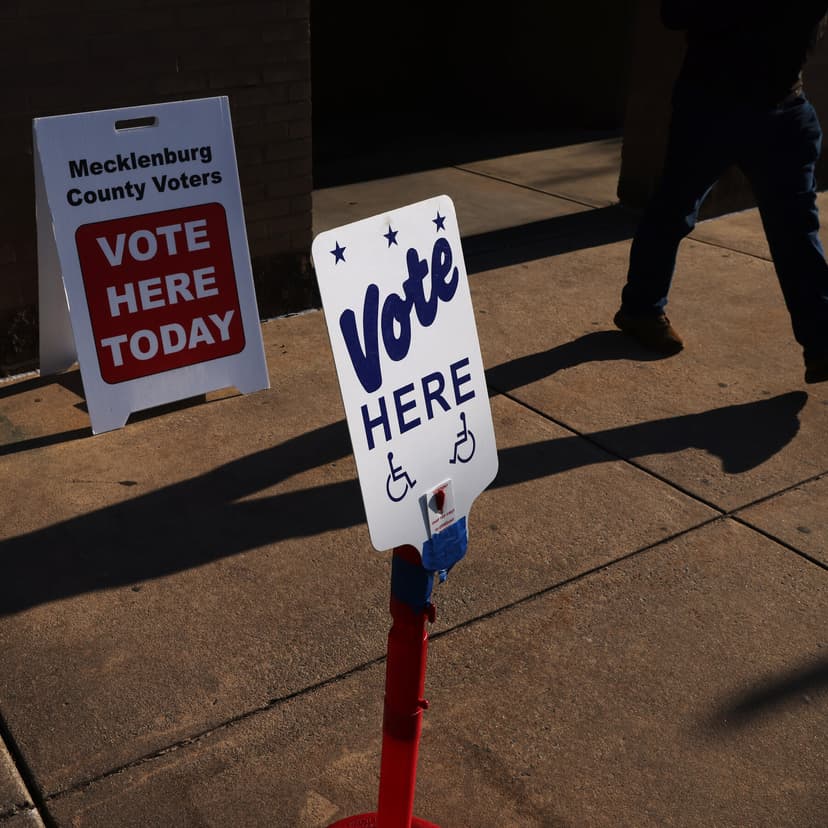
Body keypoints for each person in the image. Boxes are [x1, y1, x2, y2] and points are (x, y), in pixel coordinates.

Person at [614, 0, 828, 384]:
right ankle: (641, 309)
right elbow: (673, 14)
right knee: (673, 211)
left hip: (783, 106)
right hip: (710, 107)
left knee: (796, 231)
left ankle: (822, 344)